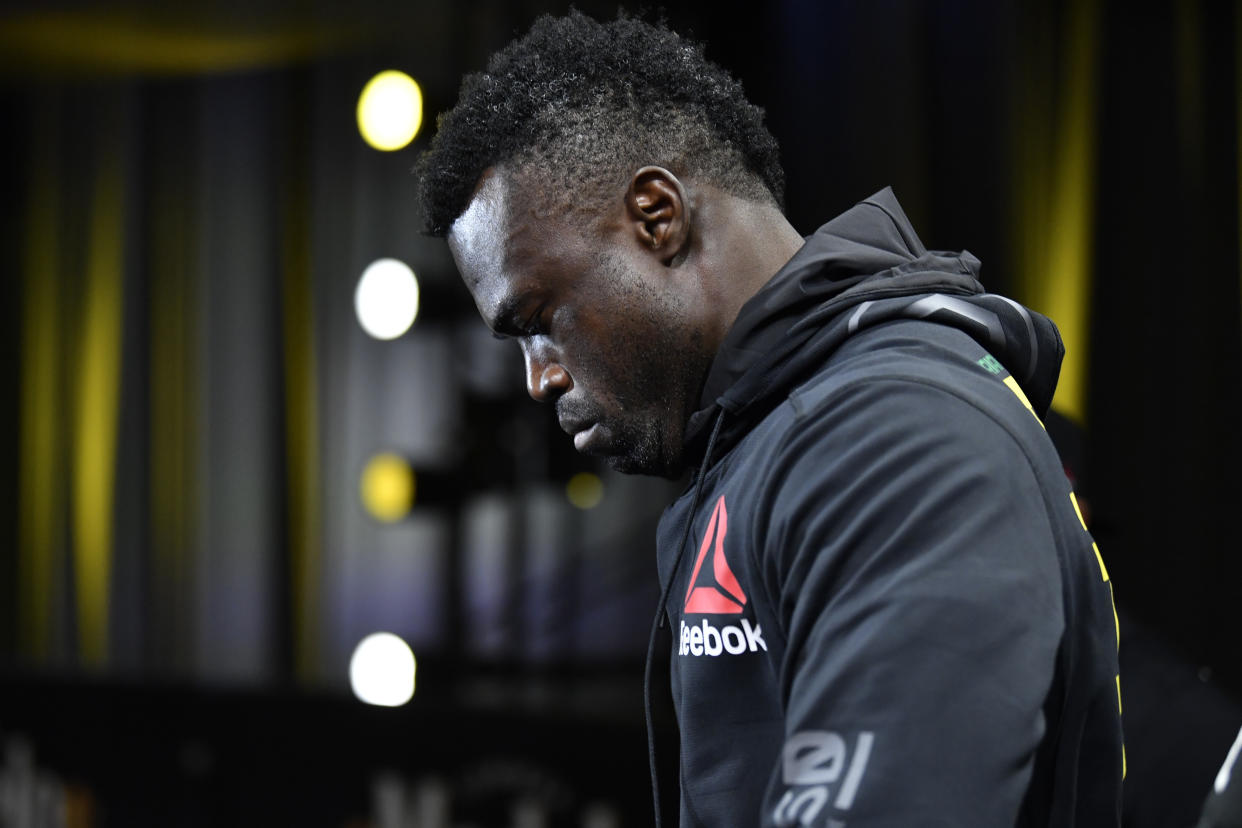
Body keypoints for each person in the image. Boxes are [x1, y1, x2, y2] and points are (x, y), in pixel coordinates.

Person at [417, 11, 1123, 826]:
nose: (537, 378)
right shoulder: (763, 445)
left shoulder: (899, 438)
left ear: (656, 216)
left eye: (539, 317)